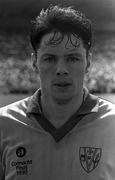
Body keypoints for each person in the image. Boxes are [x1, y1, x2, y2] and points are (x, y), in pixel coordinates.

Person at [0, 5, 115, 180]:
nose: (61, 69)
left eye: (73, 58)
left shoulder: (113, 124)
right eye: (50, 58)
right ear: (34, 62)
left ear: (88, 63)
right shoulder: (4, 124)